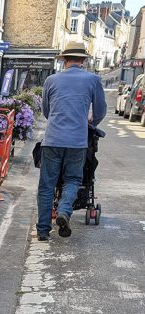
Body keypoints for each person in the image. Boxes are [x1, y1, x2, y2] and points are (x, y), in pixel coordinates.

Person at [37, 41, 106, 241]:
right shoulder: (93, 80)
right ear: (83, 60)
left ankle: (43, 231)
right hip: (77, 141)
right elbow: (100, 110)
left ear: (64, 59)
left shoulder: (51, 80)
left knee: (47, 185)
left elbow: (47, 111)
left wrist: (59, 120)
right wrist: (90, 122)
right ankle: (64, 211)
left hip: (52, 140)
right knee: (73, 180)